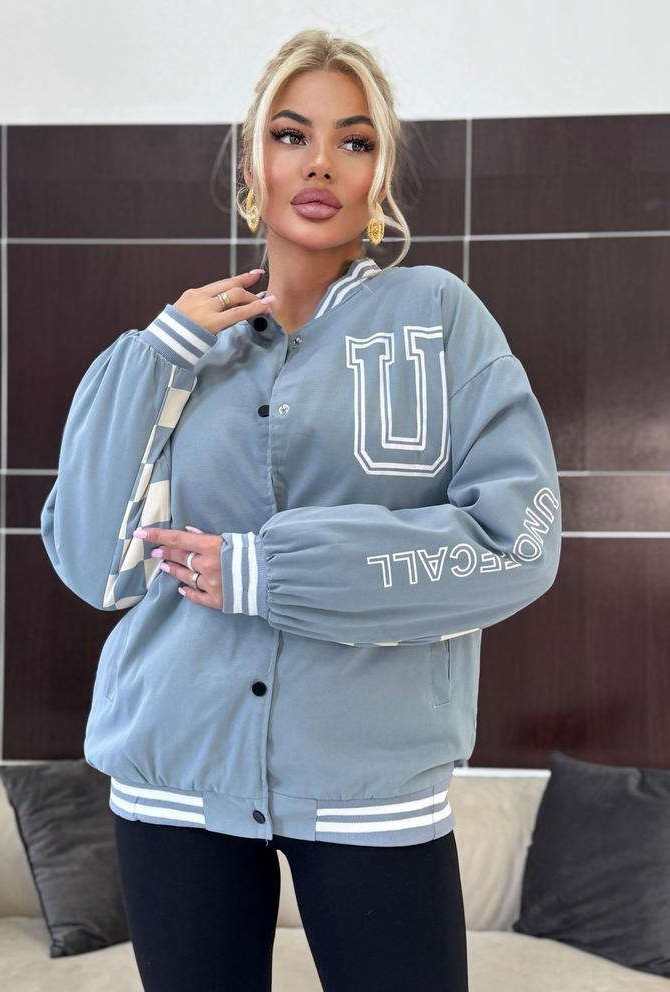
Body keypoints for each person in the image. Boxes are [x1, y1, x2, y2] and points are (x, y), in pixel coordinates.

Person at [41, 27, 562, 992]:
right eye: (291, 134)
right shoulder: (174, 352)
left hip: (370, 788)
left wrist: (266, 571)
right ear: (253, 161)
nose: (320, 161)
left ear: (379, 173)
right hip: (174, 780)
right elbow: (92, 567)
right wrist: (158, 356)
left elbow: (517, 543)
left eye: (353, 140)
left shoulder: (440, 319)